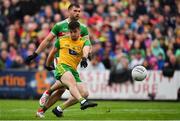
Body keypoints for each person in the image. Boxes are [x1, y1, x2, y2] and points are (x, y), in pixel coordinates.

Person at [24, 3, 93, 118]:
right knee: (68, 85)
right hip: (60, 59)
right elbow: (46, 41)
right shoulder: (59, 26)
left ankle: (47, 97)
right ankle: (49, 105)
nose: (77, 13)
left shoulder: (83, 28)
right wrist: (35, 54)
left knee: (61, 89)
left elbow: (87, 44)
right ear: (69, 11)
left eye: (79, 11)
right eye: (75, 11)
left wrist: (87, 55)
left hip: (73, 62)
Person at [44, 21, 97, 117]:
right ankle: (83, 102)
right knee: (71, 83)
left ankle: (59, 109)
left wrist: (84, 58)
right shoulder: (62, 40)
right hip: (62, 67)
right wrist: (47, 64)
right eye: (71, 32)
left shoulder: (84, 41)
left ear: (79, 31)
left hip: (73, 70)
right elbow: (52, 53)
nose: (73, 34)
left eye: (75, 32)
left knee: (84, 93)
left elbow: (86, 49)